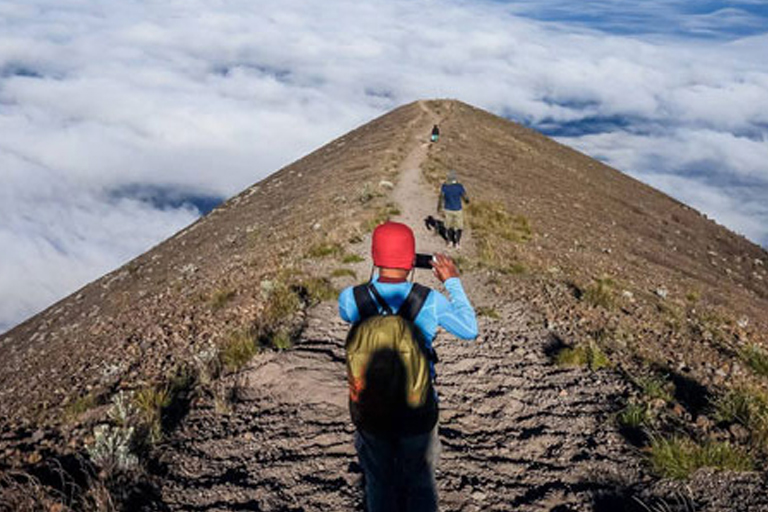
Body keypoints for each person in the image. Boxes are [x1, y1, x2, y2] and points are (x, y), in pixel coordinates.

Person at [338, 222, 478, 512]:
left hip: (370, 410)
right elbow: (469, 329)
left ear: (375, 257)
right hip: (418, 410)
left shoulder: (351, 298)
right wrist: (452, 281)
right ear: (412, 259)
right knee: (420, 481)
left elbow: (345, 315)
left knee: (378, 482)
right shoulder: (429, 300)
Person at [437, 169, 470, 249]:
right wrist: (467, 201)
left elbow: (441, 197)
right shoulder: (459, 186)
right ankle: (457, 243)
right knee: (459, 227)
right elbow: (465, 197)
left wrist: (439, 207)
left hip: (448, 209)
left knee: (448, 227)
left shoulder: (444, 186)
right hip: (457, 209)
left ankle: (450, 242)